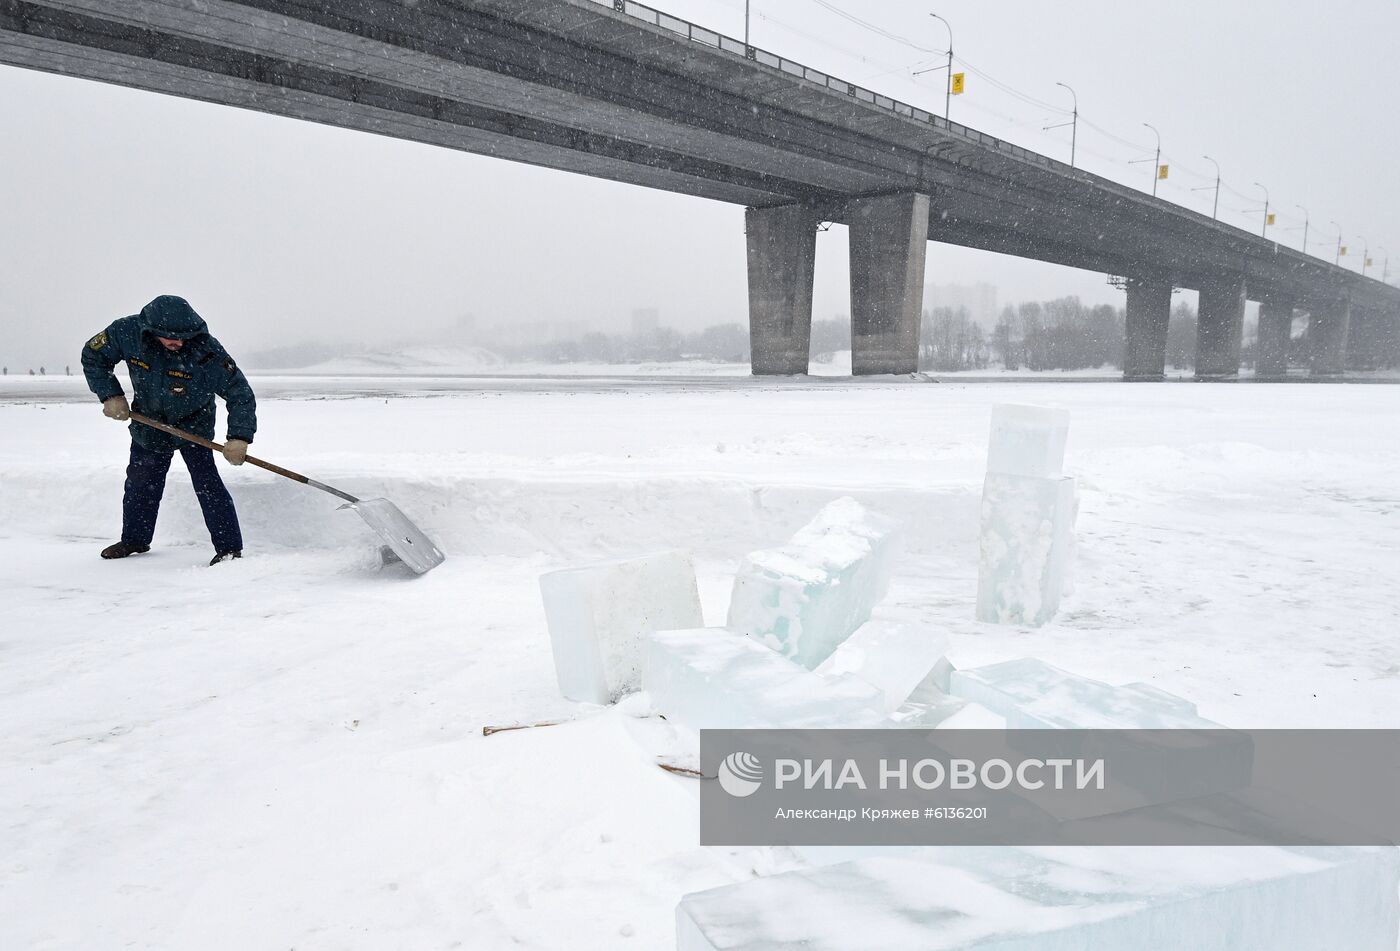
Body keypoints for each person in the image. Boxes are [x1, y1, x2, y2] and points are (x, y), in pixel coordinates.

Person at [81, 295, 257, 565]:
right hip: (149, 423)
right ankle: (135, 540)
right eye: (170, 337)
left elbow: (240, 393)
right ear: (152, 331)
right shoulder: (127, 333)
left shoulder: (206, 351)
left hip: (194, 425)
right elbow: (93, 355)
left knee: (208, 485)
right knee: (141, 484)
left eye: (183, 337)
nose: (178, 342)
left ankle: (229, 549)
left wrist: (239, 438)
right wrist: (110, 395)